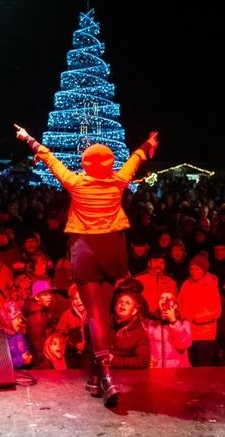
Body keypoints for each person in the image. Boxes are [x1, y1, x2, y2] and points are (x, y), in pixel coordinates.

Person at [15, 123, 158, 407]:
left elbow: (49, 158)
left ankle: (105, 374)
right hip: (112, 252)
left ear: (85, 163)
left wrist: (28, 139)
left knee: (94, 317)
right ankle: (94, 378)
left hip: (86, 252)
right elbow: (137, 158)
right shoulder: (119, 181)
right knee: (101, 316)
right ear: (109, 163)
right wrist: (150, 144)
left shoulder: (76, 183)